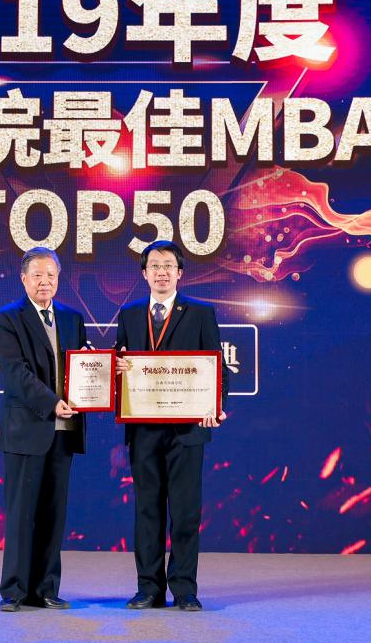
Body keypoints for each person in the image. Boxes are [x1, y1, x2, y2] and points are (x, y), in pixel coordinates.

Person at [115, 240, 228, 612]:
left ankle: (184, 589)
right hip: (143, 428)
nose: (161, 272)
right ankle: (148, 588)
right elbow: (120, 364)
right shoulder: (129, 314)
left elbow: (217, 366)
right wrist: (117, 368)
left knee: (185, 511)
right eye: (154, 265)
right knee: (147, 510)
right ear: (144, 273)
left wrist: (215, 406)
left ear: (180, 273)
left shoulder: (200, 312)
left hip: (188, 429)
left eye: (168, 265)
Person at [0, 247, 86, 612]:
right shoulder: (7, 318)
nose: (45, 281)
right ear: (24, 279)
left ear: (59, 278)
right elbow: (16, 374)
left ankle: (46, 588)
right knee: (21, 514)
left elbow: (83, 364)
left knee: (53, 514)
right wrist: (51, 403)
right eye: (37, 275)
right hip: (27, 430)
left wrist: (103, 370)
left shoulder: (72, 318)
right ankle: (14, 591)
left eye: (51, 275)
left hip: (64, 430)